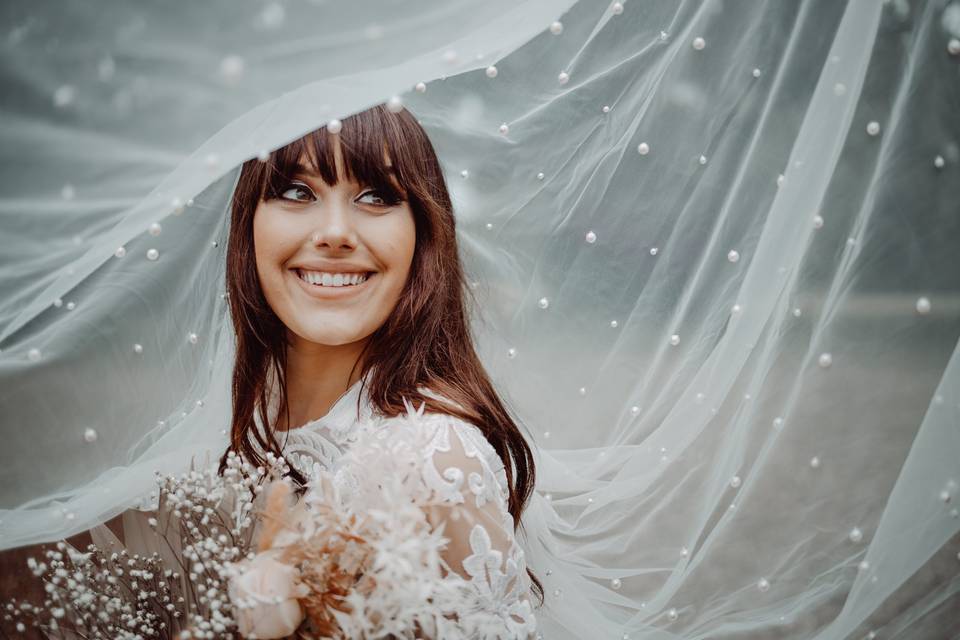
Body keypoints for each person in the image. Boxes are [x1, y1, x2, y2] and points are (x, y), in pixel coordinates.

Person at [218, 102, 543, 637]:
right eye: (298, 192)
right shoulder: (228, 438)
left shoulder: (438, 459)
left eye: (376, 196)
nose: (335, 233)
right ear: (246, 223)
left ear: (423, 238)